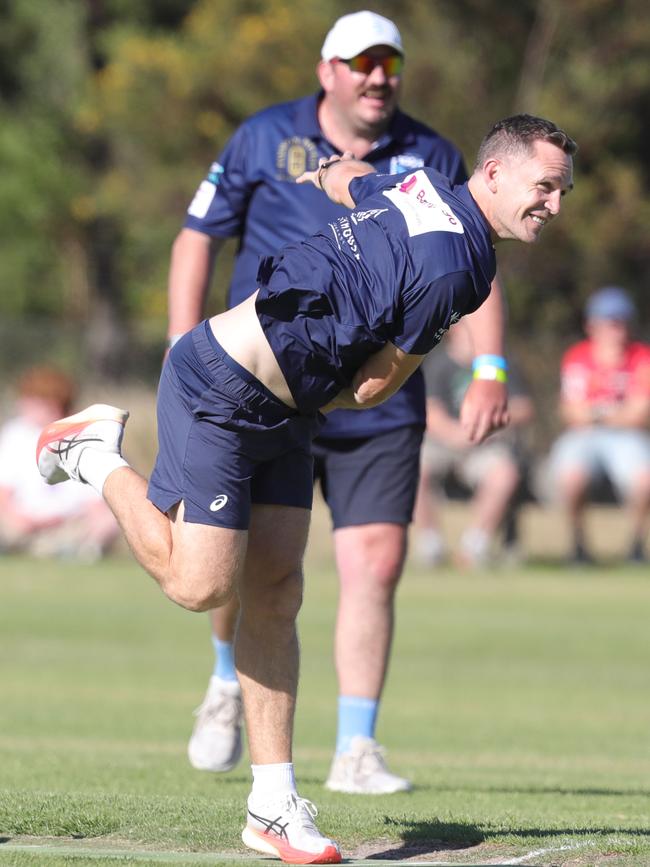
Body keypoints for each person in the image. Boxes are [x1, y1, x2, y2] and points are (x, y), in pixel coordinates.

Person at [37, 114, 576, 863]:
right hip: (222, 387)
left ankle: (272, 805)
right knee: (200, 586)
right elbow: (374, 385)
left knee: (277, 589)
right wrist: (355, 373)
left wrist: (317, 179)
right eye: (544, 186)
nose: (553, 203)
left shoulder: (420, 184)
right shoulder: (462, 268)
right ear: (492, 174)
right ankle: (93, 454)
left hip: (284, 409)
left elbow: (346, 176)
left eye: (562, 191)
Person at [169, 9, 509, 794]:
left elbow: (472, 266)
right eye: (361, 62)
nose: (377, 75)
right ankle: (226, 680)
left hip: (375, 402)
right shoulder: (261, 138)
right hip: (271, 382)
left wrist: (488, 364)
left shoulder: (434, 153)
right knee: (246, 567)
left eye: (389, 62)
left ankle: (356, 747)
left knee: (375, 560)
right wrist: (180, 338)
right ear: (329, 71)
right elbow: (197, 236)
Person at [414, 320, 535, 567]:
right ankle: (431, 545)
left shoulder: (498, 364)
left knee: (504, 475)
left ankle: (475, 546)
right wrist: (459, 434)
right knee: (413, 466)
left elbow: (523, 408)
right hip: (445, 442)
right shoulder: (438, 363)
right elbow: (430, 411)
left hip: (487, 443)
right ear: (453, 330)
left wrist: (490, 422)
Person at [548, 285, 650, 564]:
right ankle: (578, 546)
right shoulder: (577, 356)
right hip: (584, 437)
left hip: (627, 437)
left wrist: (594, 412)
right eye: (610, 322)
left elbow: (639, 414)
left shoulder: (642, 357)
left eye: (621, 322)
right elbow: (570, 412)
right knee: (571, 476)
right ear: (593, 325)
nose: (616, 329)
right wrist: (610, 412)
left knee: (644, 479)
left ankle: (636, 546)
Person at [0, 366, 119, 561]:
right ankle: (54, 549)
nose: (23, 405)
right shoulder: (15, 434)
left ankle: (73, 549)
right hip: (22, 522)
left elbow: (93, 502)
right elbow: (3, 493)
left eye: (32, 401)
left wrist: (97, 522)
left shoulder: (83, 436)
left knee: (110, 520)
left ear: (53, 404)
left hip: (67, 523)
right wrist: (19, 517)